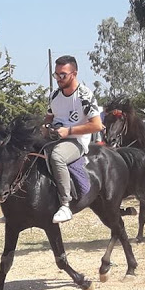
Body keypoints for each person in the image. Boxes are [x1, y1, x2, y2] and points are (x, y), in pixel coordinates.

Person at [42, 55, 102, 223]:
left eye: (63, 75)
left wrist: (68, 131)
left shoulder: (84, 95)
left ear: (74, 74)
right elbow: (48, 117)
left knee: (57, 156)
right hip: (55, 137)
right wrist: (46, 127)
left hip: (76, 141)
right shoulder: (54, 95)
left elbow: (97, 125)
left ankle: (65, 205)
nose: (59, 79)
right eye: (56, 75)